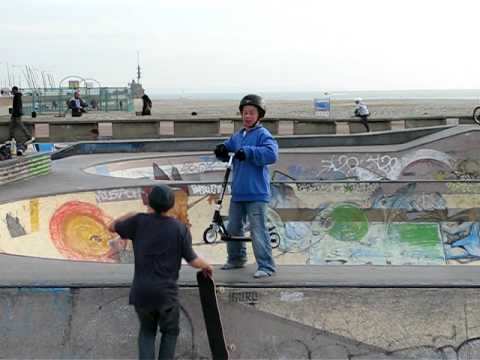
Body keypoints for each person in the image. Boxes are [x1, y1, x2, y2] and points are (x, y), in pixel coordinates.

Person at [108, 185, 212, 360]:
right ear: (171, 205)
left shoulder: (138, 221)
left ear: (149, 202)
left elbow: (111, 227)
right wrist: (206, 266)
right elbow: (193, 260)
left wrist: (131, 214)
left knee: (147, 332)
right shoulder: (179, 228)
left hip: (141, 293)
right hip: (166, 295)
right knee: (170, 332)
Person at [214, 94, 278, 278]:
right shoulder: (238, 136)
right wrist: (221, 151)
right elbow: (229, 150)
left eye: (251, 113)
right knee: (233, 227)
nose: (247, 116)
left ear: (259, 116)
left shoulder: (263, 135)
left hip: (257, 193)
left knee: (258, 229)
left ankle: (266, 266)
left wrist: (248, 152)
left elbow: (271, 154)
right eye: (245, 113)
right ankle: (236, 259)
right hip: (239, 192)